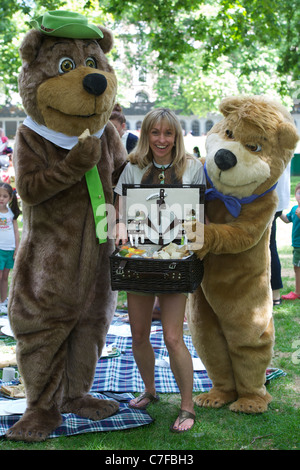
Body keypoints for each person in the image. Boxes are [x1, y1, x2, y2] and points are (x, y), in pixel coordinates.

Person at [114, 108, 205, 433]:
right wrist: (121, 227)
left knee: (172, 337)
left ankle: (187, 406)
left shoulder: (193, 168)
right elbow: (119, 213)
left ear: (176, 136)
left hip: (175, 262)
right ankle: (149, 390)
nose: (162, 140)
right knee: (138, 334)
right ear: (147, 134)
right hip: (137, 260)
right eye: (155, 133)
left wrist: (185, 236)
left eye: (168, 133)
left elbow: (199, 217)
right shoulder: (133, 168)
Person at [270, 163, 291, 306]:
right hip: (277, 200)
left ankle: (274, 295)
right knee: (271, 247)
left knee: (269, 248)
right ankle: (274, 295)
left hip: (269, 199)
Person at [0, 182, 20, 313]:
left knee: (5, 277)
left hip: (10, 250)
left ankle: (3, 301)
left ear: (10, 198)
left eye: (5, 196)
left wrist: (17, 249)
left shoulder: (12, 214)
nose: (1, 199)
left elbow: (16, 232)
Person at [280, 182, 300, 300]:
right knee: (296, 267)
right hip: (296, 245)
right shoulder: (294, 209)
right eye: (299, 192)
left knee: (298, 268)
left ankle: (297, 292)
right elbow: (287, 219)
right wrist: (278, 213)